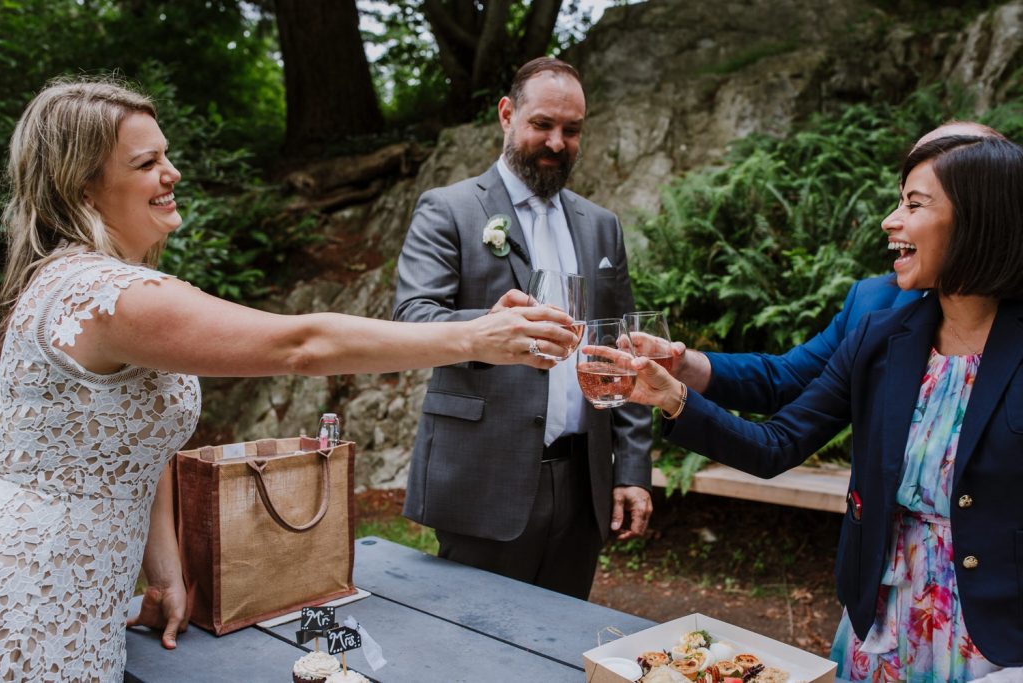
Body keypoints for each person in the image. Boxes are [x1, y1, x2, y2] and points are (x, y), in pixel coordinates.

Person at [0, 78, 576, 682]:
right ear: (83, 186)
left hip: (87, 592)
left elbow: (137, 445)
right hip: (37, 593)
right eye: (147, 163)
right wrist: (477, 336)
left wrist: (165, 571)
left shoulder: (87, 285)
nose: (172, 174)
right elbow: (302, 345)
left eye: (166, 154)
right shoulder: (101, 294)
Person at [621, 135, 1023, 679]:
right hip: (882, 629)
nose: (889, 220)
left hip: (997, 641)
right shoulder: (881, 336)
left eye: (913, 204)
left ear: (977, 219)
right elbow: (777, 442)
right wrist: (673, 396)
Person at [392, 57, 653, 599]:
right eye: (542, 124)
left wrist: (630, 468)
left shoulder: (601, 226)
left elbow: (623, 350)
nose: (557, 142)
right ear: (507, 115)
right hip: (484, 477)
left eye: (572, 130)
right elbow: (413, 319)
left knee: (560, 645)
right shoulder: (449, 210)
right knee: (473, 653)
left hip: (583, 485)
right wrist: (492, 326)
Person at [667, 121, 1007, 414]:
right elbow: (790, 380)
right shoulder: (874, 302)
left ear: (982, 207)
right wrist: (681, 366)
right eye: (901, 198)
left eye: (915, 203)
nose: (889, 221)